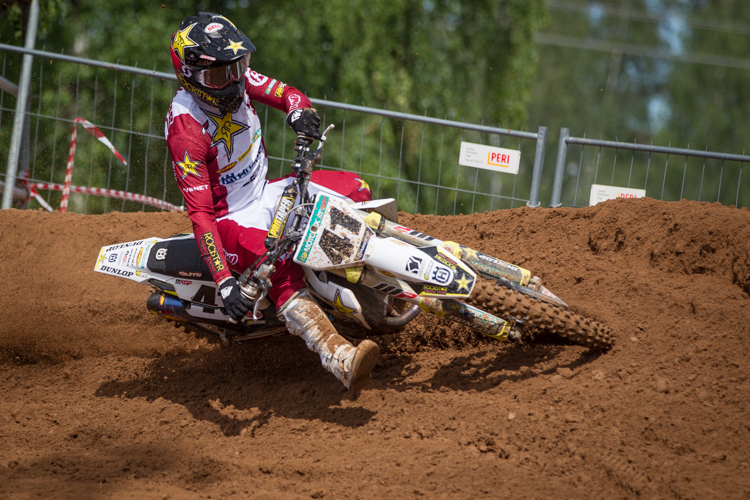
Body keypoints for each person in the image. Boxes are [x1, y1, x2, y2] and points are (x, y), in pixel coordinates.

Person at [165, 12, 380, 397]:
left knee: (357, 190)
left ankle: (370, 284)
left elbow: (288, 94)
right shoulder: (186, 127)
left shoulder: (238, 78)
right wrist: (225, 282)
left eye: (237, 67)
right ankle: (340, 358)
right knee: (279, 268)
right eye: (218, 76)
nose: (232, 81)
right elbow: (200, 214)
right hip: (229, 219)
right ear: (190, 76)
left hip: (267, 191)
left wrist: (301, 114)